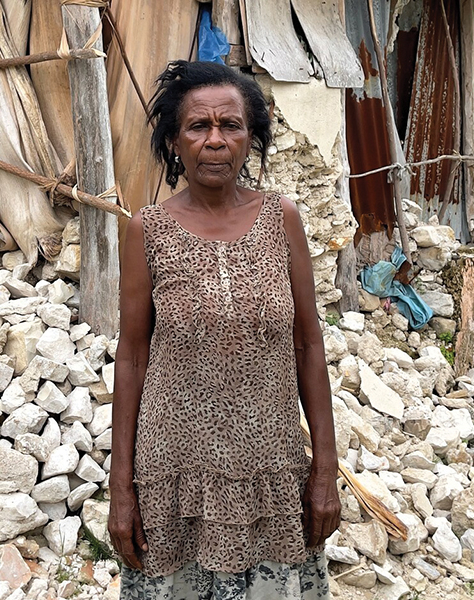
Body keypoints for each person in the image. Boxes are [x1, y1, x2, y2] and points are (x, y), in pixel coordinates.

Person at [109, 60, 341, 599]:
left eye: (230, 125)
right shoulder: (148, 229)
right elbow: (132, 359)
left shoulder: (282, 218)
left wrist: (325, 470)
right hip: (174, 474)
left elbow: (308, 345)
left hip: (271, 470)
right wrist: (122, 488)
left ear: (251, 137)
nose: (215, 140)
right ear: (174, 141)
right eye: (198, 126)